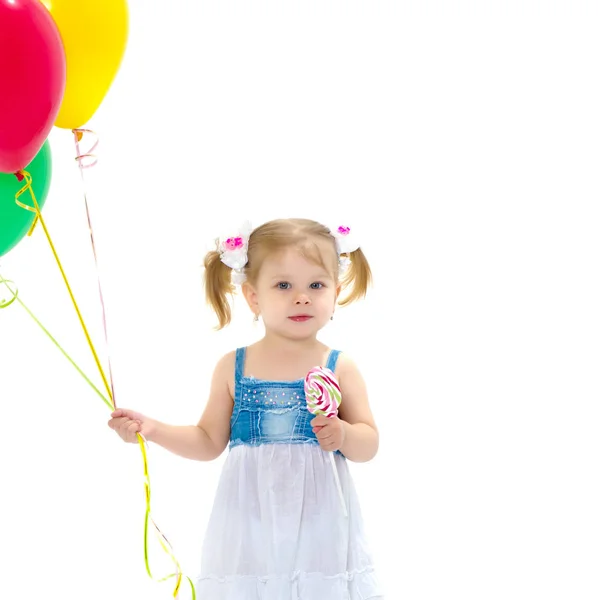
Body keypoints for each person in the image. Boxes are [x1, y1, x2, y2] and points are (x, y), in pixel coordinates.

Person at [108, 218, 384, 599]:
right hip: (249, 520)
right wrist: (152, 428)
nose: (301, 297)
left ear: (336, 292)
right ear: (253, 296)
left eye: (315, 285)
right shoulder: (233, 367)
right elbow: (207, 441)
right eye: (283, 285)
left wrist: (343, 433)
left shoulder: (338, 366)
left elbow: (369, 443)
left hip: (319, 522)